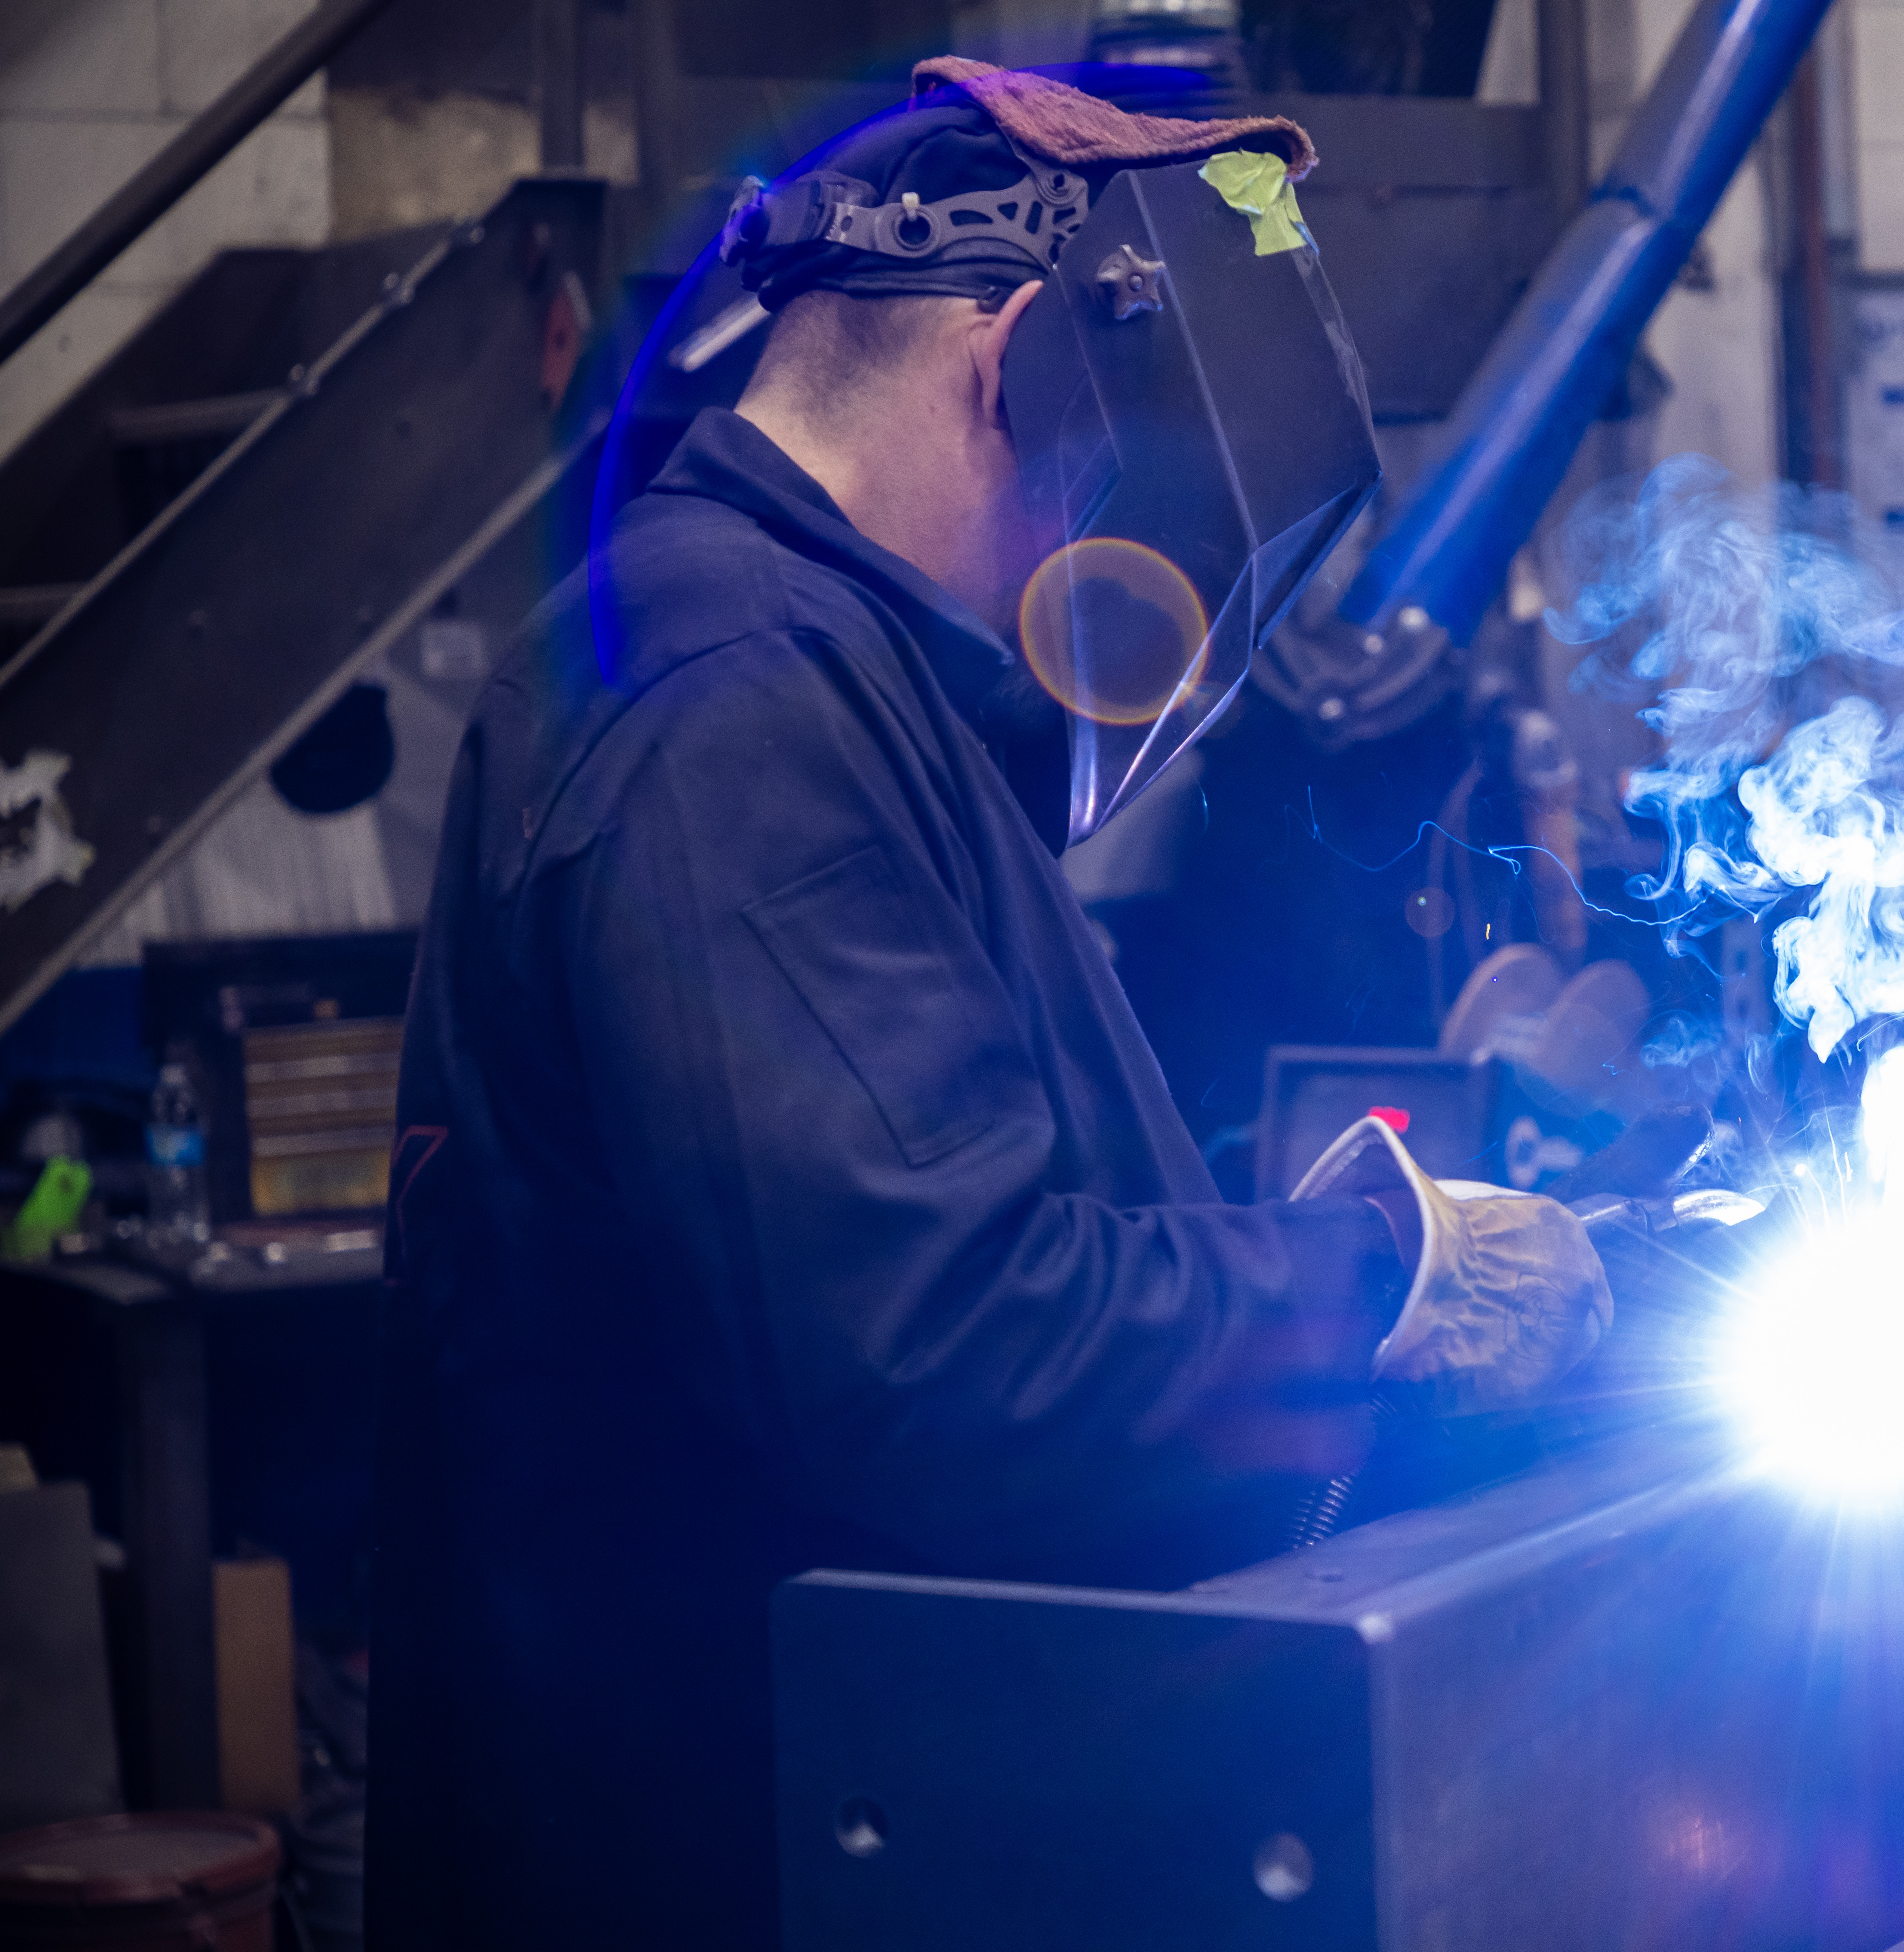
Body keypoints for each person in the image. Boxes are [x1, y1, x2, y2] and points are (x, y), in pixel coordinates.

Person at [369, 60, 1610, 1949]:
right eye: (1132, 506)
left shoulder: (825, 673)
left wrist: (1257, 1230)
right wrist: (1379, 1275)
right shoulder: (730, 708)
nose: (1101, 589)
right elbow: (955, 1342)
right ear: (1027, 369)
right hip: (728, 1862)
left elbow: (951, 1181)